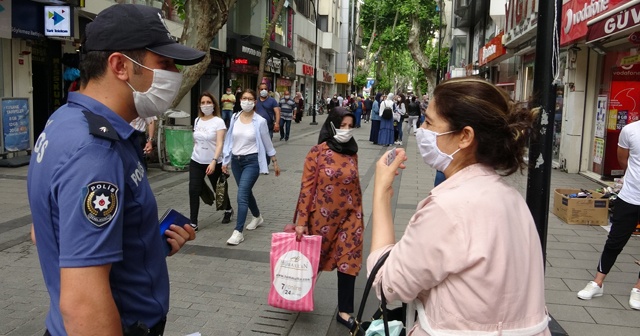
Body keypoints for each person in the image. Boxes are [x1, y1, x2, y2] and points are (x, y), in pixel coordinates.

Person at [27, 4, 203, 335]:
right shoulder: (96, 151)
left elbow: (47, 230)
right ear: (120, 65)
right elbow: (83, 303)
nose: (174, 73)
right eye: (163, 63)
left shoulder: (64, 120)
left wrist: (146, 242)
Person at [368, 78, 549, 335]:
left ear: (465, 136)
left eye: (430, 122)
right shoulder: (512, 198)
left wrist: (381, 193)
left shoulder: (447, 208)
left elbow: (387, 284)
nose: (421, 129)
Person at [295, 107, 364, 330]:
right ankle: (297, 294)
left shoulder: (352, 152)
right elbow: (306, 188)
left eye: (349, 126)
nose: (346, 130)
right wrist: (301, 221)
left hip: (350, 217)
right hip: (321, 219)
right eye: (341, 125)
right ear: (332, 125)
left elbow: (356, 186)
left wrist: (359, 215)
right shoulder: (317, 152)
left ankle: (345, 312)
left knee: (349, 260)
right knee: (312, 260)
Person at [576, 120, 640, 310]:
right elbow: (623, 160)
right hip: (630, 196)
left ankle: (638, 288)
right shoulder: (630, 130)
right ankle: (597, 283)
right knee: (614, 241)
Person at [222, 89, 281, 246]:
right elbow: (229, 140)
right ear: (239, 100)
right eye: (244, 98)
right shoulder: (234, 117)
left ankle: (238, 231)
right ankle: (257, 216)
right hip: (236, 161)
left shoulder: (259, 121)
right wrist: (225, 160)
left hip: (252, 161)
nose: (246, 101)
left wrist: (274, 161)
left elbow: (267, 142)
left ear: (255, 102)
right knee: (246, 191)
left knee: (241, 194)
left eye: (250, 99)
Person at [189, 92, 234, 231]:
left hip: (214, 162)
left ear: (213, 105)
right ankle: (193, 222)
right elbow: (196, 140)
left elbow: (220, 143)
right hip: (196, 161)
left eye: (208, 102)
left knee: (218, 189)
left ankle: (228, 209)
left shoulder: (218, 122)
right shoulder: (197, 120)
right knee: (193, 190)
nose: (205, 105)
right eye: (202, 103)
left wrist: (214, 161)